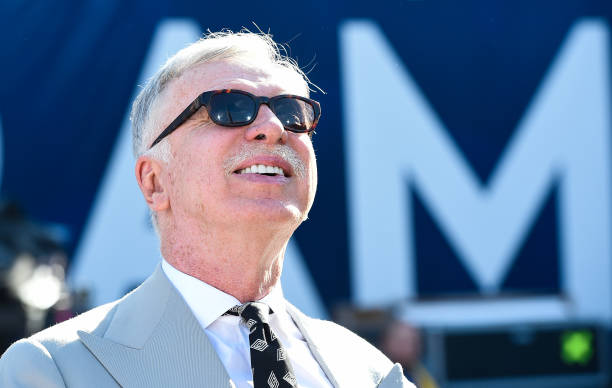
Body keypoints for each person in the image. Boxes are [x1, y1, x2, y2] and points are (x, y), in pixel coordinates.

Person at [0, 30, 414, 387]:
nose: (272, 127)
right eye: (228, 108)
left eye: (292, 113)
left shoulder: (370, 373)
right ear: (154, 181)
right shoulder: (54, 370)